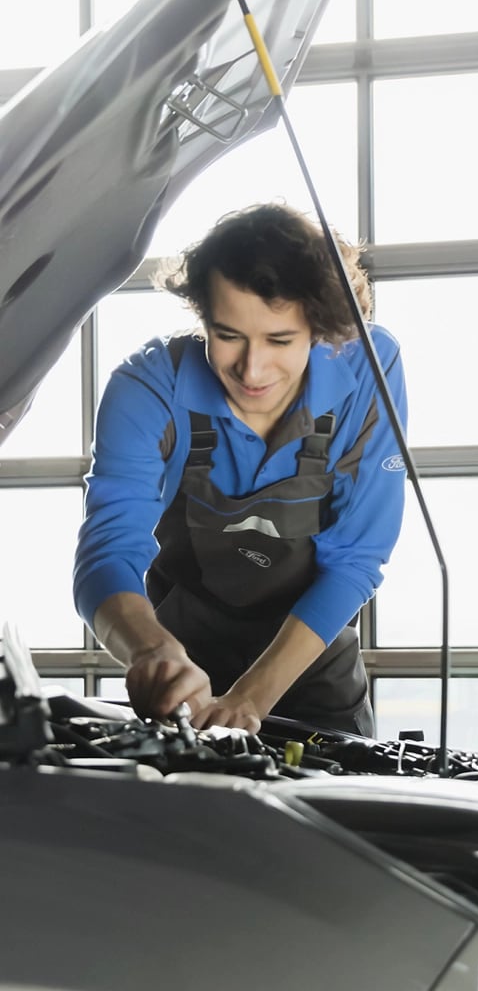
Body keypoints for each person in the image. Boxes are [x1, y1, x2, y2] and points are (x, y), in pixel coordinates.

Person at [74, 201, 407, 739]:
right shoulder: (147, 386)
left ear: (320, 330)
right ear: (201, 313)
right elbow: (107, 552)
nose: (252, 370)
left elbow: (357, 556)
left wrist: (252, 697)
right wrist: (151, 650)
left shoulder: (367, 364)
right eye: (227, 335)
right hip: (183, 657)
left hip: (311, 658)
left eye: (280, 340)